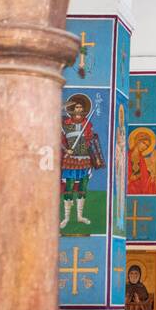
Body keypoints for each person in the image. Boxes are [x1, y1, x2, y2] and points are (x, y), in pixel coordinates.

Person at [60, 94, 104, 229]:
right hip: (71, 160)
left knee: (83, 188)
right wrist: (66, 150)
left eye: (81, 107)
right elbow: (59, 140)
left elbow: (91, 141)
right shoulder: (65, 124)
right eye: (76, 107)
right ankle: (66, 217)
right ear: (72, 109)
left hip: (85, 160)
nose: (79, 110)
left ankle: (80, 216)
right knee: (69, 187)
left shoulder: (87, 124)